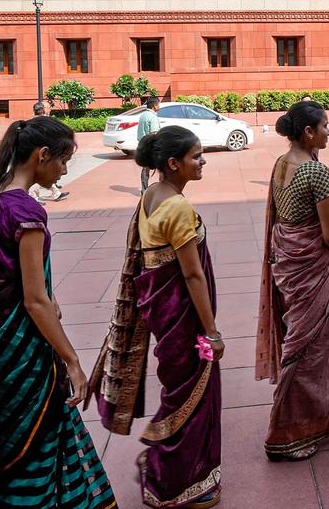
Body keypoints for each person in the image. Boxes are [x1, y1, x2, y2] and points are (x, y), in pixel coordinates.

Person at [0, 117, 115, 508]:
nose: (64, 170)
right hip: (19, 347)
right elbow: (34, 299)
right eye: (63, 160)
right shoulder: (25, 210)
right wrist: (72, 361)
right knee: (33, 440)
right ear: (42, 155)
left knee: (4, 438)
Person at [89, 127, 222, 509]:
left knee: (178, 388)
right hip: (184, 318)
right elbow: (192, 275)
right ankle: (177, 482)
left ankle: (169, 468)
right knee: (192, 395)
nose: (202, 162)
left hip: (163, 314)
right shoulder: (178, 207)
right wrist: (211, 332)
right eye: (196, 156)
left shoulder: (151, 195)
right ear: (174, 163)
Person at [256, 102, 329, 461]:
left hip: (288, 261)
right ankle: (286, 432)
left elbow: (284, 220)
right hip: (309, 265)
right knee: (307, 346)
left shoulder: (281, 163)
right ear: (309, 132)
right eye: (325, 126)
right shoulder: (316, 172)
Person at [135, 96, 162, 190]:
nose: (159, 106)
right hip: (151, 145)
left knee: (145, 168)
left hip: (142, 144)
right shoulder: (152, 116)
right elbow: (154, 132)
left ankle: (144, 189)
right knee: (162, 166)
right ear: (154, 105)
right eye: (158, 104)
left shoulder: (143, 115)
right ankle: (164, 188)